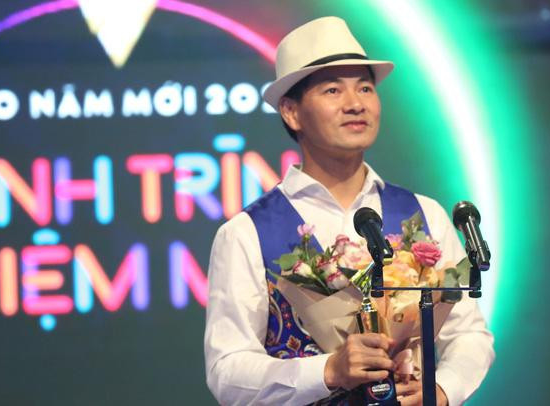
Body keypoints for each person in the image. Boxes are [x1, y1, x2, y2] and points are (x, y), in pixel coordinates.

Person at [204, 16, 494, 405]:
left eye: (365, 88)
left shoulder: (425, 215)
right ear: (291, 112)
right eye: (332, 90)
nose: (355, 103)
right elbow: (227, 371)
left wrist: (442, 390)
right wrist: (327, 371)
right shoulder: (246, 233)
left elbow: (469, 334)